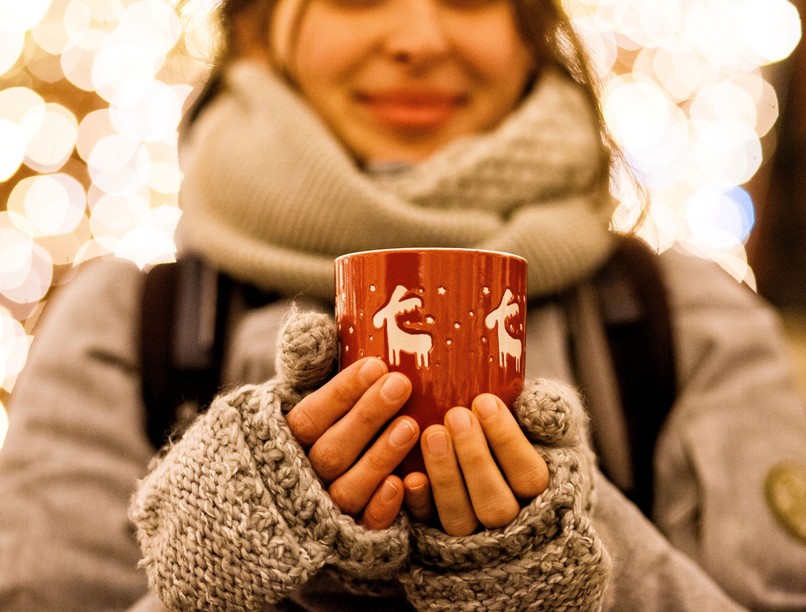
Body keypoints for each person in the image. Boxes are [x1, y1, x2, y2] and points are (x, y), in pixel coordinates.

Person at [0, 0, 805, 609]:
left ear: (528, 28)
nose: (417, 39)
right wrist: (215, 573)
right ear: (258, 28)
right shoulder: (125, 324)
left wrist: (583, 566)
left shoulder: (693, 320)